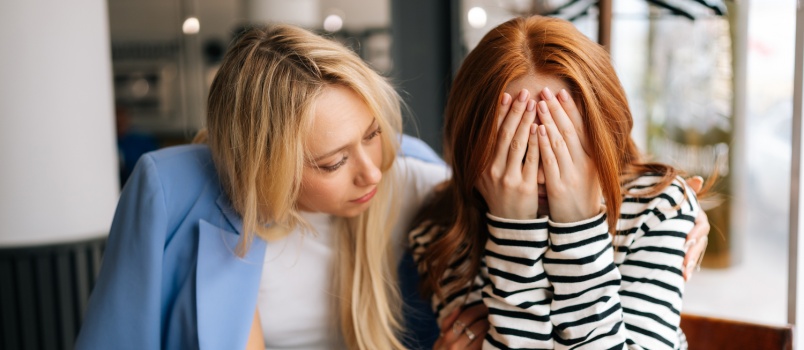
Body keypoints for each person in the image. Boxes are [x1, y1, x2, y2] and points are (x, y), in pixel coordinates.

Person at [76, 24, 451, 349]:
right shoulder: (171, 189)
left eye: (373, 134)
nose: (372, 173)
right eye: (333, 163)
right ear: (267, 168)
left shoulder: (414, 177)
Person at [410, 15, 708, 349]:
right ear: (470, 145)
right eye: (516, 148)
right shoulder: (443, 235)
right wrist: (514, 233)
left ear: (606, 134)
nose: (541, 175)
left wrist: (579, 226)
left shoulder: (657, 209)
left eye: (564, 146)